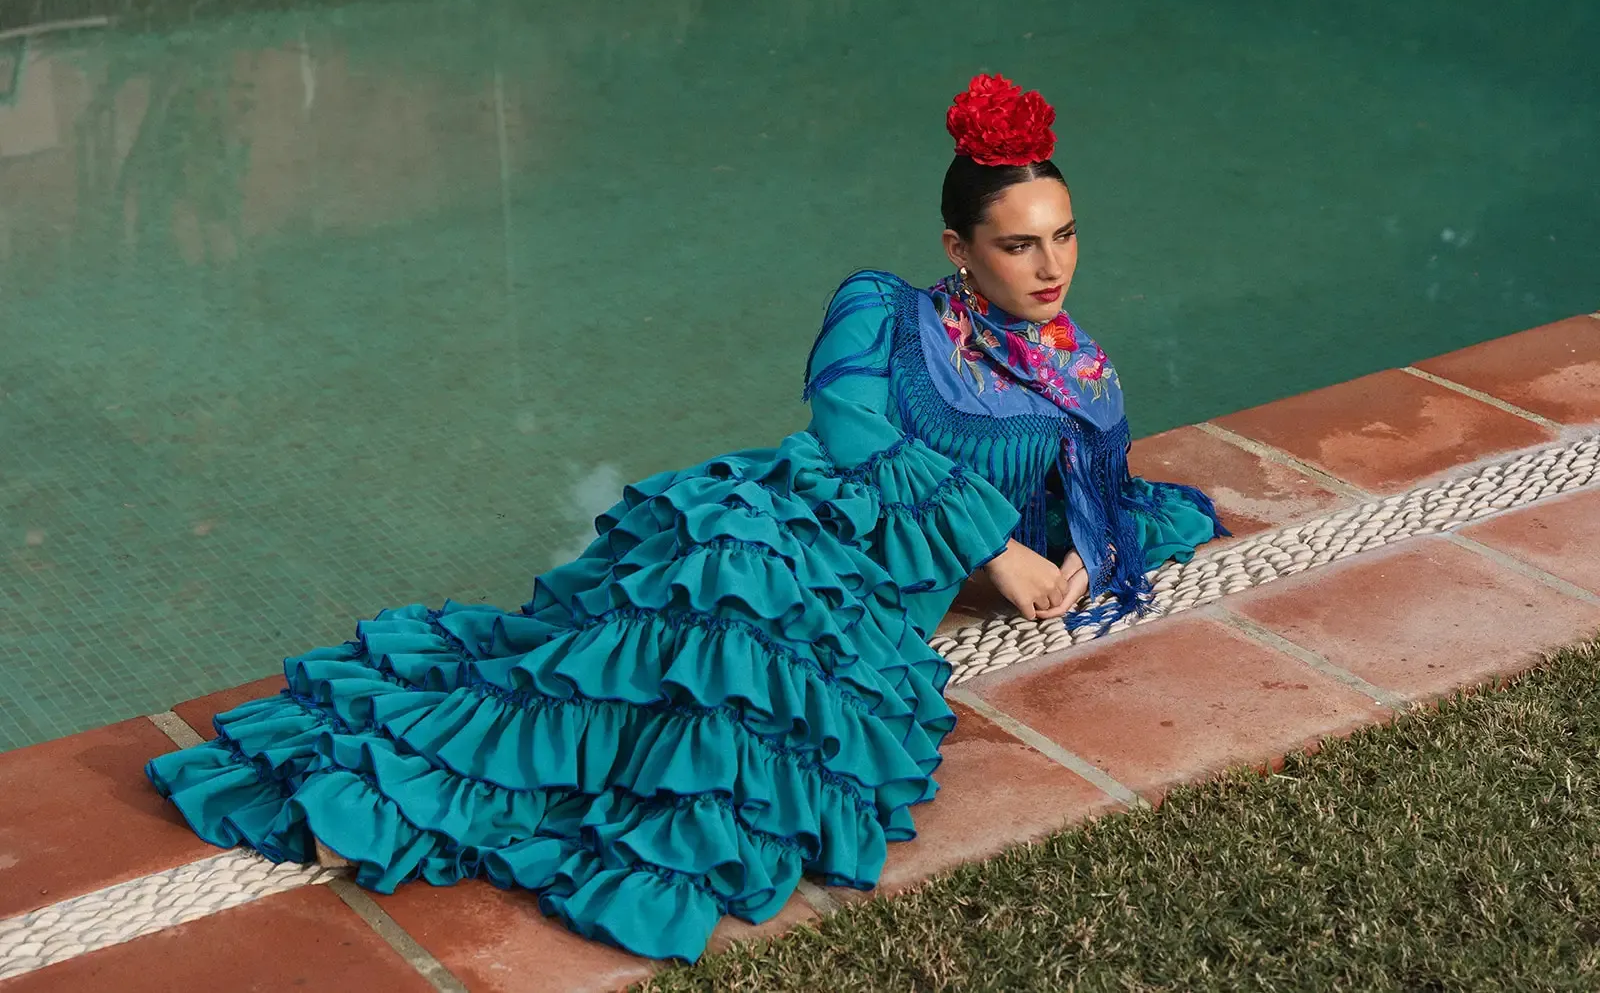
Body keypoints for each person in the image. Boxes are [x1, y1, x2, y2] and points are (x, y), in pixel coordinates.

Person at [145, 73, 1225, 963]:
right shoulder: (883, 308)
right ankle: (394, 788)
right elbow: (849, 426)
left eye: (1064, 236)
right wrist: (994, 549)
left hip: (859, 592)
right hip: (781, 518)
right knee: (654, 654)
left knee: (725, 716)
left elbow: (1098, 503)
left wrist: (1078, 556)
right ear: (957, 248)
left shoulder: (1078, 379)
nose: (1050, 267)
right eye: (1018, 245)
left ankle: (443, 806)